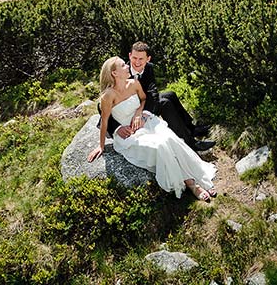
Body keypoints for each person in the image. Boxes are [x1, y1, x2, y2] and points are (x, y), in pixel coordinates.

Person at [87, 56, 217, 201]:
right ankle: (192, 184)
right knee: (161, 146)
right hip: (130, 135)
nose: (127, 66)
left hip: (146, 123)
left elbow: (143, 99)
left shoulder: (134, 83)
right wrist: (101, 146)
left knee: (170, 139)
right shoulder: (108, 96)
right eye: (123, 65)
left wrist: (138, 113)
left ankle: (199, 178)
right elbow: (104, 121)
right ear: (114, 73)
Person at [114, 41, 214, 152]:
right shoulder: (121, 72)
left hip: (141, 103)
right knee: (165, 103)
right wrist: (117, 127)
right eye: (134, 58)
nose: (137, 62)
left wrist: (144, 112)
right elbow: (102, 104)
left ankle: (192, 128)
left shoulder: (149, 67)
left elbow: (152, 91)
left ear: (148, 59)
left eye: (141, 59)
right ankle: (191, 143)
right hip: (130, 110)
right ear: (129, 55)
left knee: (170, 94)